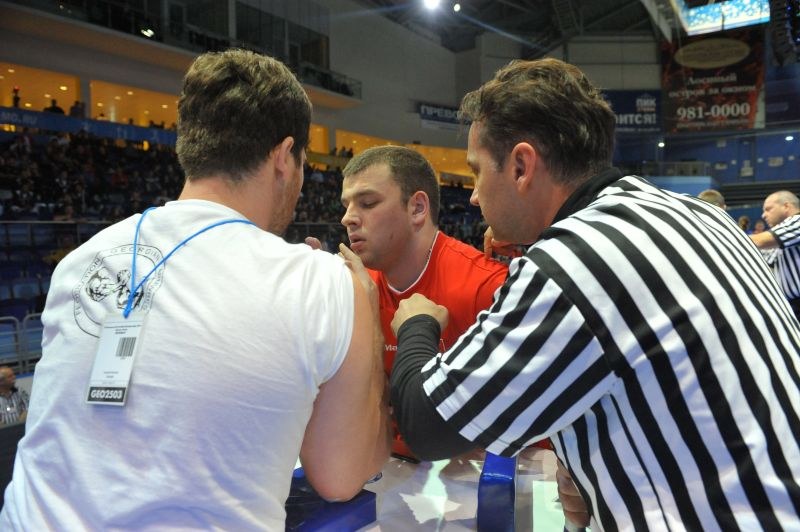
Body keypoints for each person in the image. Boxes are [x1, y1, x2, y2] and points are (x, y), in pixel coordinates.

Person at [388, 58, 800, 530]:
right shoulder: (702, 217)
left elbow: (426, 423)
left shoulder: (573, 262)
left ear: (521, 165)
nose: (475, 196)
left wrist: (417, 324)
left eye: (477, 171)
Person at [0, 49, 390, 530]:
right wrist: (367, 313)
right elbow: (341, 477)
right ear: (285, 157)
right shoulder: (320, 280)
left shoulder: (83, 260)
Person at [337, 145, 508, 460]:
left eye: (368, 203)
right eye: (346, 205)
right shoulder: (351, 287)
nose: (348, 218)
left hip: (468, 484)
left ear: (417, 208)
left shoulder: (488, 287)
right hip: (379, 469)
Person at [750, 190, 800, 319]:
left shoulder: (798, 220)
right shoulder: (782, 235)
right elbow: (764, 257)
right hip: (792, 305)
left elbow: (758, 241)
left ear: (786, 206)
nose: (763, 215)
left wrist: (725, 236)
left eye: (768, 209)